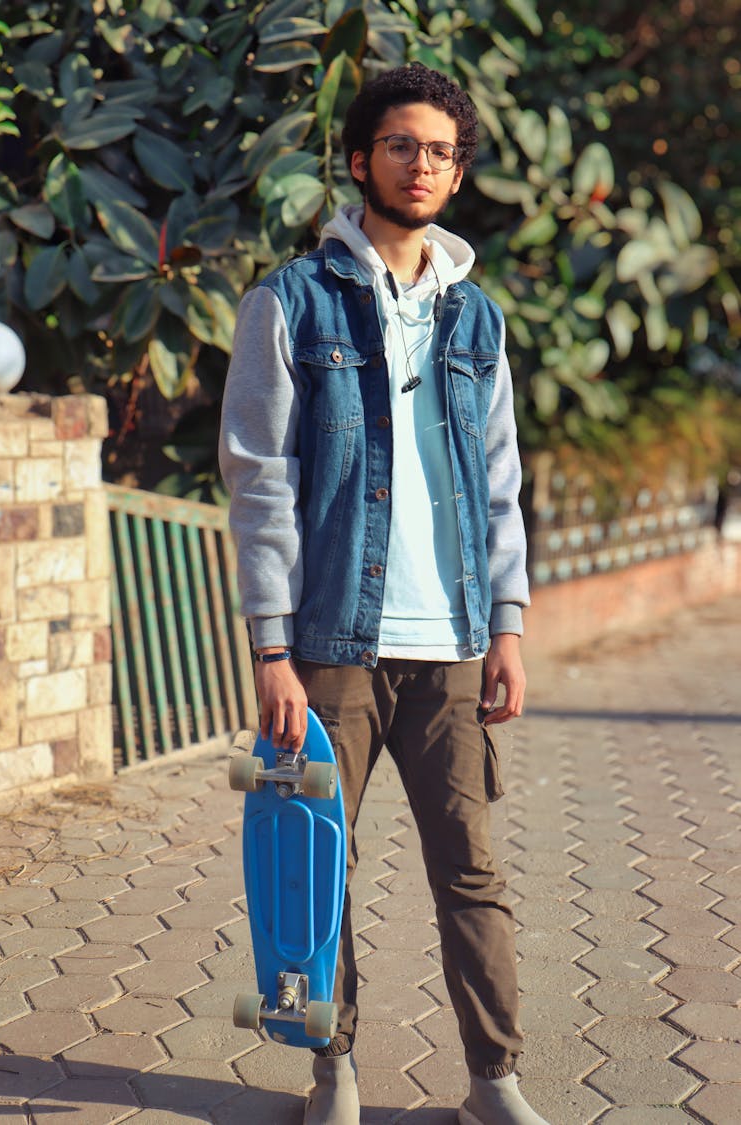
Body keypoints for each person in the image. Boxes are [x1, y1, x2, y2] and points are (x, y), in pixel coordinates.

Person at [219, 63, 548, 1125]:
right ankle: (334, 1069)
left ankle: (494, 1079)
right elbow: (258, 480)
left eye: (443, 151)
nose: (423, 165)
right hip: (330, 651)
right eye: (402, 145)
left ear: (457, 176)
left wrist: (508, 626)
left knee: (473, 876)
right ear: (361, 160)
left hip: (452, 641)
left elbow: (500, 486)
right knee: (320, 877)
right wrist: (271, 648)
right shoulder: (290, 301)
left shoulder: (477, 320)